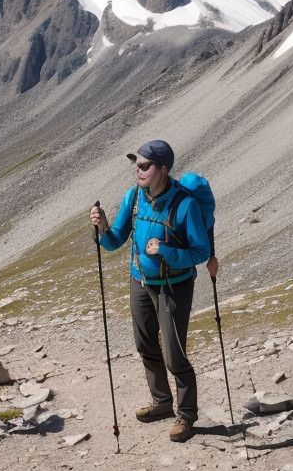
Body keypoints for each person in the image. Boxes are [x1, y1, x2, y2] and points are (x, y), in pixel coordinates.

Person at [90, 140, 212, 443]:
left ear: (162, 169)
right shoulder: (133, 198)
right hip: (140, 282)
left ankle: (186, 416)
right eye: (136, 164)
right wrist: (103, 228)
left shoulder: (186, 204)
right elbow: (116, 240)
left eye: (144, 165)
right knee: (145, 345)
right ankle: (161, 402)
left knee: (175, 354)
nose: (138, 170)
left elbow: (200, 252)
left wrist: (167, 251)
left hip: (174, 286)